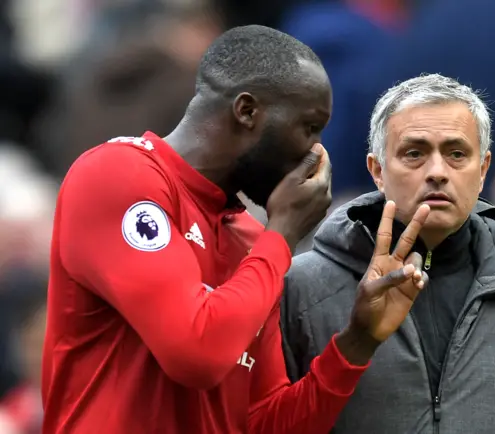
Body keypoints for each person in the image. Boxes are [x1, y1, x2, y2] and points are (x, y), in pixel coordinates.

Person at [41, 25, 430, 434]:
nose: (317, 152)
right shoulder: (118, 175)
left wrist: (357, 341)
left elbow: (263, 422)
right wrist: (281, 234)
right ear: (247, 111)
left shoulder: (250, 240)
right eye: (309, 127)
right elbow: (196, 354)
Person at [281, 74, 495, 434]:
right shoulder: (301, 287)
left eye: (457, 154)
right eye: (414, 153)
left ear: (482, 170)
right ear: (377, 170)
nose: (437, 172)